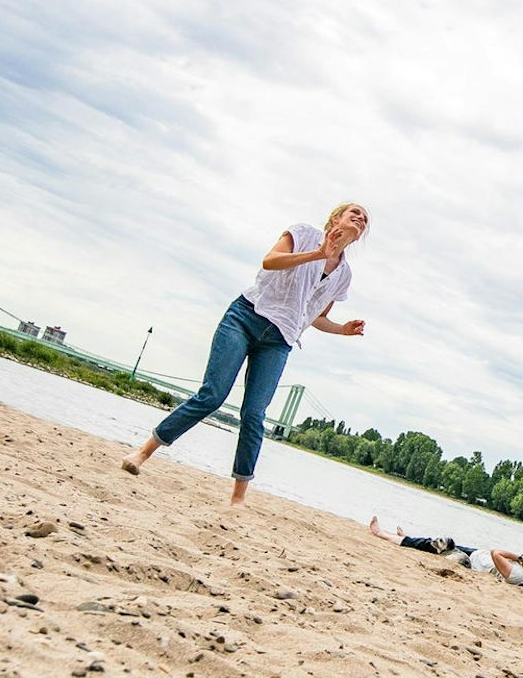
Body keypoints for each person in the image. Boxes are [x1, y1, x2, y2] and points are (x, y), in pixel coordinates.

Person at [120, 204, 369, 504]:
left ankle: (237, 500)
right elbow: (270, 261)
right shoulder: (303, 234)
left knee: (254, 415)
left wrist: (342, 329)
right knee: (212, 396)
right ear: (335, 218)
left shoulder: (344, 275)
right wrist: (318, 254)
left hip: (280, 339)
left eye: (365, 219)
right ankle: (143, 452)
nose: (360, 217)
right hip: (245, 317)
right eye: (354, 211)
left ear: (360, 235)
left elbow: (315, 315)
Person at [368, 517, 523, 596]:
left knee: (442, 543)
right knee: (430, 543)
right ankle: (406, 538)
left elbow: (496, 553)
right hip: (475, 554)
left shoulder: (520, 576)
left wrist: (521, 558)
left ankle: (382, 534)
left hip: (470, 560)